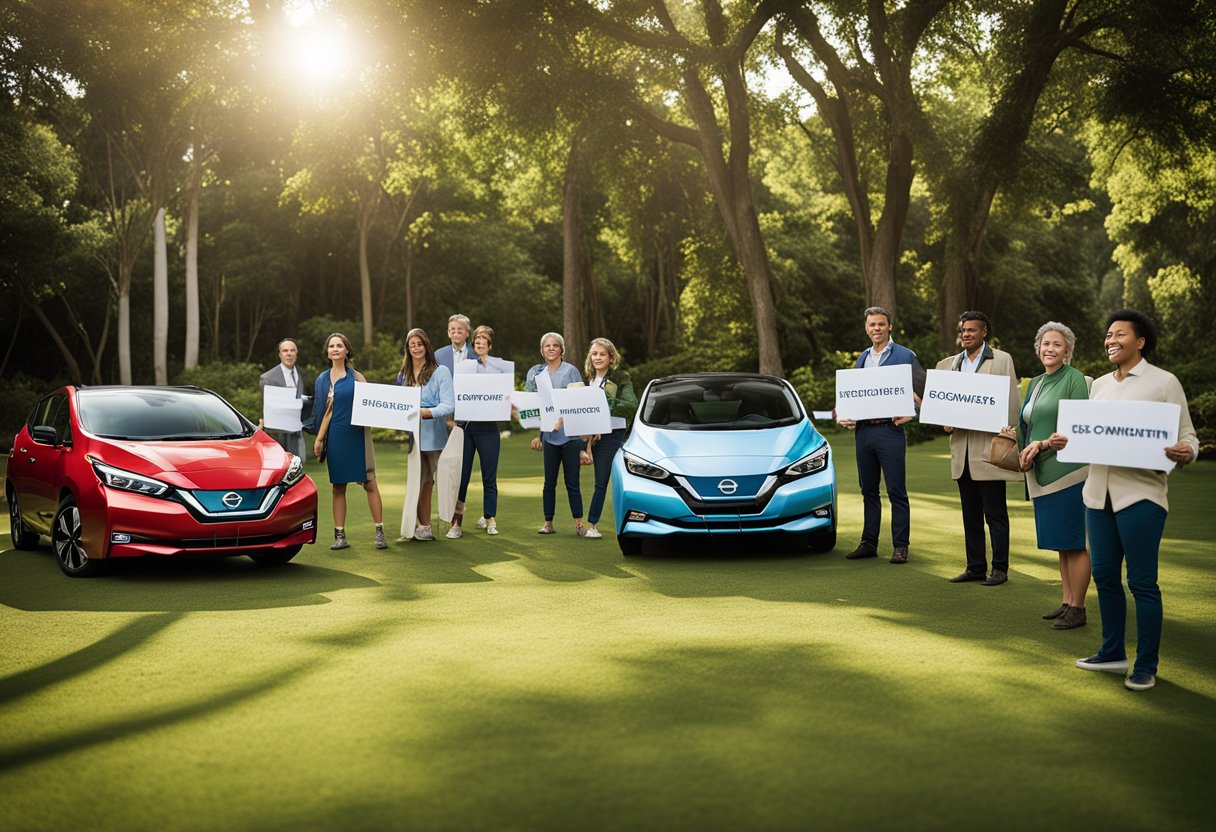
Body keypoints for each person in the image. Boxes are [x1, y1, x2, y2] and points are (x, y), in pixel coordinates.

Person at [1063, 310, 1198, 692]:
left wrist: (1186, 451)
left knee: (1142, 582)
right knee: (1105, 576)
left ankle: (1146, 665)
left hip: (1141, 496)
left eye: (1119, 334)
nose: (1110, 340)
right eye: (1107, 335)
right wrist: (1067, 441)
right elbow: (1092, 435)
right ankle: (1111, 653)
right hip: (1096, 496)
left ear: (1140, 342)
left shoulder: (1164, 383)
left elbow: (1189, 437)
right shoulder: (1099, 385)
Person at [1015, 322, 1091, 630]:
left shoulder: (1075, 380)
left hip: (1069, 472)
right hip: (1042, 471)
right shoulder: (1035, 383)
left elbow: (1079, 425)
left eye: (1057, 344)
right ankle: (1066, 601)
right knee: (1062, 542)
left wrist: (1043, 444)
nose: (1050, 348)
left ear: (1068, 351)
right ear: (1038, 348)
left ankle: (1079, 607)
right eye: (1046, 343)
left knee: (1075, 541)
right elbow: (1029, 422)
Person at [936, 311, 1021, 586]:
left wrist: (1006, 429)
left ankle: (999, 569)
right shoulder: (948, 365)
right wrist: (945, 422)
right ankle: (974, 567)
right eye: (963, 330)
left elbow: (1011, 402)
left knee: (995, 513)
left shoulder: (1002, 360)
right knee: (970, 514)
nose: (966, 334)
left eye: (972, 330)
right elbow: (943, 406)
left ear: (984, 332)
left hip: (989, 451)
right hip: (962, 452)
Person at [837, 307, 926, 564]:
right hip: (864, 432)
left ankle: (900, 547)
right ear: (867, 329)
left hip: (890, 431)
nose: (876, 328)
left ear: (890, 327)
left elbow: (926, 394)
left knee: (896, 491)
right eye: (872, 325)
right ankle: (869, 543)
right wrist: (846, 414)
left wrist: (913, 413)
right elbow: (855, 396)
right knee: (868, 490)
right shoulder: (862, 359)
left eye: (881, 324)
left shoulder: (905, 356)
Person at [311, 333, 386, 550]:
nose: (335, 349)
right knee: (338, 486)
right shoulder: (321, 380)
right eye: (331, 346)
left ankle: (380, 532)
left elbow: (373, 404)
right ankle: (340, 536)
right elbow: (324, 412)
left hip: (358, 435)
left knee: (370, 482)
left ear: (347, 351)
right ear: (328, 352)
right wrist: (320, 439)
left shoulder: (358, 377)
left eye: (339, 345)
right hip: (335, 437)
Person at [448, 325, 509, 538]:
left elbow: (505, 397)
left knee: (489, 478)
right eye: (477, 341)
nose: (480, 343)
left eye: (484, 341)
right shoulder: (464, 367)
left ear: (490, 346)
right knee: (462, 476)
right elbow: (456, 395)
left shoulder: (500, 369)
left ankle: (490, 518)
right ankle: (456, 522)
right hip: (466, 429)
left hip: (489, 430)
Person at [396, 328, 455, 541]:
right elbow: (398, 405)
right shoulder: (402, 375)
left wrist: (426, 412)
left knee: (436, 481)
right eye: (412, 345)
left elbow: (448, 405)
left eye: (419, 344)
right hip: (414, 436)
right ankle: (423, 526)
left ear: (426, 346)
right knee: (418, 481)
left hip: (435, 436)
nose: (416, 348)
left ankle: (451, 523)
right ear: (407, 349)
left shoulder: (441, 372)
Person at [525, 332, 586, 535]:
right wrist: (539, 434)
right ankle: (548, 523)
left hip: (571, 437)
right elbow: (534, 406)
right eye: (546, 346)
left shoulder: (571, 371)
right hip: (549, 438)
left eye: (555, 345)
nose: (550, 349)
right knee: (549, 483)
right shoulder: (537, 374)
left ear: (561, 349)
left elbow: (579, 403)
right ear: (542, 351)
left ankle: (579, 523)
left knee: (572, 483)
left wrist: (563, 420)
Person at [579, 338, 638, 540]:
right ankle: (593, 524)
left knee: (619, 481)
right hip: (596, 438)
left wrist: (605, 400)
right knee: (601, 481)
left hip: (615, 434)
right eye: (594, 354)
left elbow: (631, 406)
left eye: (602, 354)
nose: (597, 357)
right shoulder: (588, 380)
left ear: (611, 357)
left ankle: (594, 524)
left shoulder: (621, 377)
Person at [259, 337, 310, 457]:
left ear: (296, 353)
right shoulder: (268, 378)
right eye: (285, 351)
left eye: (292, 350)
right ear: (280, 354)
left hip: (298, 431)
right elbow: (268, 408)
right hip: (278, 434)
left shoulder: (302, 374)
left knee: (298, 466)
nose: (289, 354)